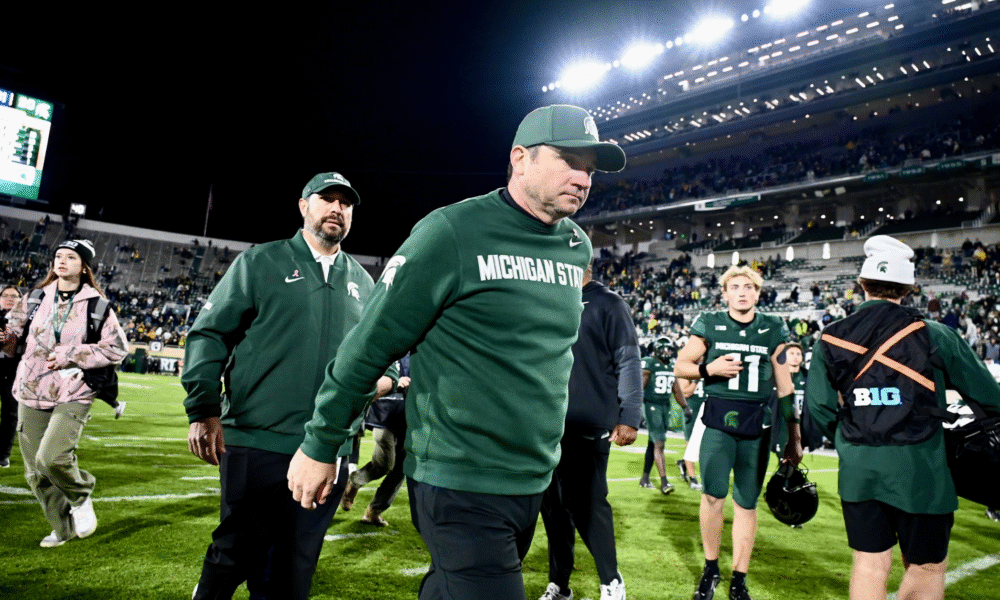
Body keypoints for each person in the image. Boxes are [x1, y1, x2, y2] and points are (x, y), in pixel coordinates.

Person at [287, 104, 626, 600]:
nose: (583, 178)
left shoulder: (575, 245)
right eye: (569, 160)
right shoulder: (452, 232)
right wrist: (321, 442)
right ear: (520, 158)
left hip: (532, 476)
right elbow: (369, 344)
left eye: (590, 169)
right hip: (459, 475)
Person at [182, 172, 398, 600]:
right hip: (257, 439)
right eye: (327, 199)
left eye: (346, 203)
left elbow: (382, 357)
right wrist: (203, 409)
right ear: (304, 206)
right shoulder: (261, 262)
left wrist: (385, 378)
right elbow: (210, 334)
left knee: (294, 571)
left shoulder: (365, 281)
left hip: (328, 449)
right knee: (233, 555)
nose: (337, 208)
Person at [807, 235, 1000, 600]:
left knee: (869, 563)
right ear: (909, 288)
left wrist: (851, 438)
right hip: (922, 467)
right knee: (926, 566)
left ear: (861, 284)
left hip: (859, 468)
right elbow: (990, 398)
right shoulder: (937, 334)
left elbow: (818, 408)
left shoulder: (829, 338)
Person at [675, 265, 801, 600]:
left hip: (756, 425)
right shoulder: (709, 322)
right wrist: (708, 369)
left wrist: (794, 435)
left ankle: (739, 578)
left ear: (758, 293)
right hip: (717, 422)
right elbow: (681, 365)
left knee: (746, 503)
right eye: (735, 287)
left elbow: (785, 386)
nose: (742, 292)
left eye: (749, 287)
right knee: (713, 496)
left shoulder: (773, 327)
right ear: (725, 292)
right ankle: (711, 567)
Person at [1, 239, 128, 547]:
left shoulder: (96, 304)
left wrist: (72, 353)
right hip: (31, 388)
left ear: (83, 266)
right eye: (58, 256)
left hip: (73, 389)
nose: (61, 261)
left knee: (52, 457)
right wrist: (5, 338)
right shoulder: (33, 297)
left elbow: (117, 348)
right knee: (35, 475)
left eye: (70, 257)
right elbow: (13, 338)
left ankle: (80, 494)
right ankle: (63, 529)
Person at [538, 260, 641, 600]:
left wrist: (629, 415)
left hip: (590, 420)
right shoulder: (551, 300)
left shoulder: (609, 303)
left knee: (590, 504)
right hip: (548, 423)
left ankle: (612, 583)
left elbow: (628, 359)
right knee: (552, 507)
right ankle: (560, 584)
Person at [340, 356, 411, 527]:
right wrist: (394, 380)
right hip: (385, 414)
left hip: (412, 416)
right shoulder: (390, 341)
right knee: (385, 464)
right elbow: (369, 372)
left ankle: (374, 512)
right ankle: (355, 481)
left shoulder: (423, 348)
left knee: (402, 468)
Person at [639, 343, 676, 494]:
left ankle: (645, 478)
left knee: (653, 443)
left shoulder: (671, 365)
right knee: (659, 444)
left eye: (669, 349)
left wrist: (685, 406)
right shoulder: (650, 363)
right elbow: (640, 386)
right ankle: (664, 482)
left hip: (665, 406)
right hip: (652, 405)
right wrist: (635, 408)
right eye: (664, 348)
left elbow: (676, 387)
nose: (667, 352)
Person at [0, 285, 22, 468]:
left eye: (14, 296)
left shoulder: (28, 321)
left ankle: (3, 454)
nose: (9, 298)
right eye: (5, 295)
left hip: (13, 372)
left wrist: (11, 340)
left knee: (10, 414)